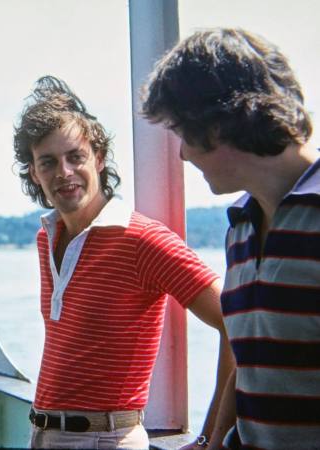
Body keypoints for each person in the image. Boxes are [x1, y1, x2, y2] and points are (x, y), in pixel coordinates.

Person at [13, 75, 234, 450]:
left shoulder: (141, 240)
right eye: (48, 162)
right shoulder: (46, 236)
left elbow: (237, 321)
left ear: (98, 159)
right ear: (34, 173)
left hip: (106, 438)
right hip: (43, 434)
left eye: (75, 157)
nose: (63, 173)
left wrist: (210, 438)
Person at [141, 27, 320, 450]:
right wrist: (212, 440)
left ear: (219, 126)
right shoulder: (240, 226)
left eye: (183, 133)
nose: (182, 154)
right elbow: (250, 359)